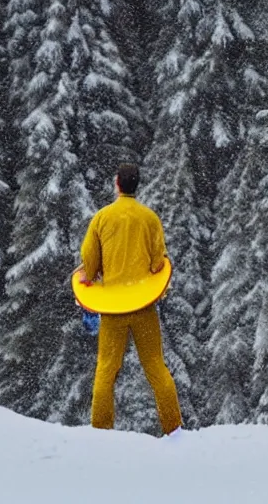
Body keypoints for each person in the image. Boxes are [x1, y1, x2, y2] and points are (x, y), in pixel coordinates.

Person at [78, 163, 182, 435]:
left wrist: (90, 279)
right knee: (156, 368)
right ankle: (173, 429)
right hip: (143, 306)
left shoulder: (102, 218)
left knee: (105, 371)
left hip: (112, 309)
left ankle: (101, 432)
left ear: (117, 183)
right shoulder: (149, 218)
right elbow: (159, 262)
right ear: (137, 184)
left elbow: (89, 264)